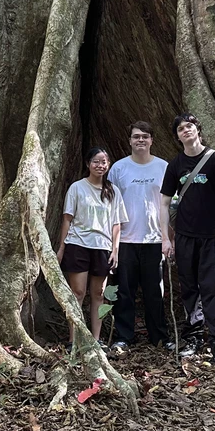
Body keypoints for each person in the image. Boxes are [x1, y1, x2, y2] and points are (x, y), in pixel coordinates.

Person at [160, 114, 215, 360]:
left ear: (198, 130)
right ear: (177, 136)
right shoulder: (175, 164)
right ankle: (194, 337)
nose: (185, 130)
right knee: (189, 288)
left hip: (212, 235)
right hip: (185, 236)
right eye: (180, 128)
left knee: (211, 287)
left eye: (189, 126)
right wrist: (166, 238)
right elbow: (165, 201)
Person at [108, 122, 170, 356]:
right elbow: (110, 205)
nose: (140, 140)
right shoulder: (119, 168)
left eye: (145, 136)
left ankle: (159, 336)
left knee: (155, 290)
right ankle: (124, 337)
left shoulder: (163, 167)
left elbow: (170, 205)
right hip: (125, 240)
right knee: (125, 290)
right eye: (136, 137)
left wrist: (167, 238)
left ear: (152, 140)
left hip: (154, 239)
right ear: (130, 141)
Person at [56, 147, 128, 346]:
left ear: (108, 164)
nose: (100, 165)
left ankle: (96, 339)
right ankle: (75, 338)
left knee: (98, 294)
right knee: (77, 292)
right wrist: (61, 248)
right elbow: (67, 219)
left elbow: (117, 224)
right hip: (78, 244)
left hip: (102, 247)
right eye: (96, 161)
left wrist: (115, 250)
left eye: (104, 162)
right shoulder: (77, 188)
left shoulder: (113, 191)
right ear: (88, 164)